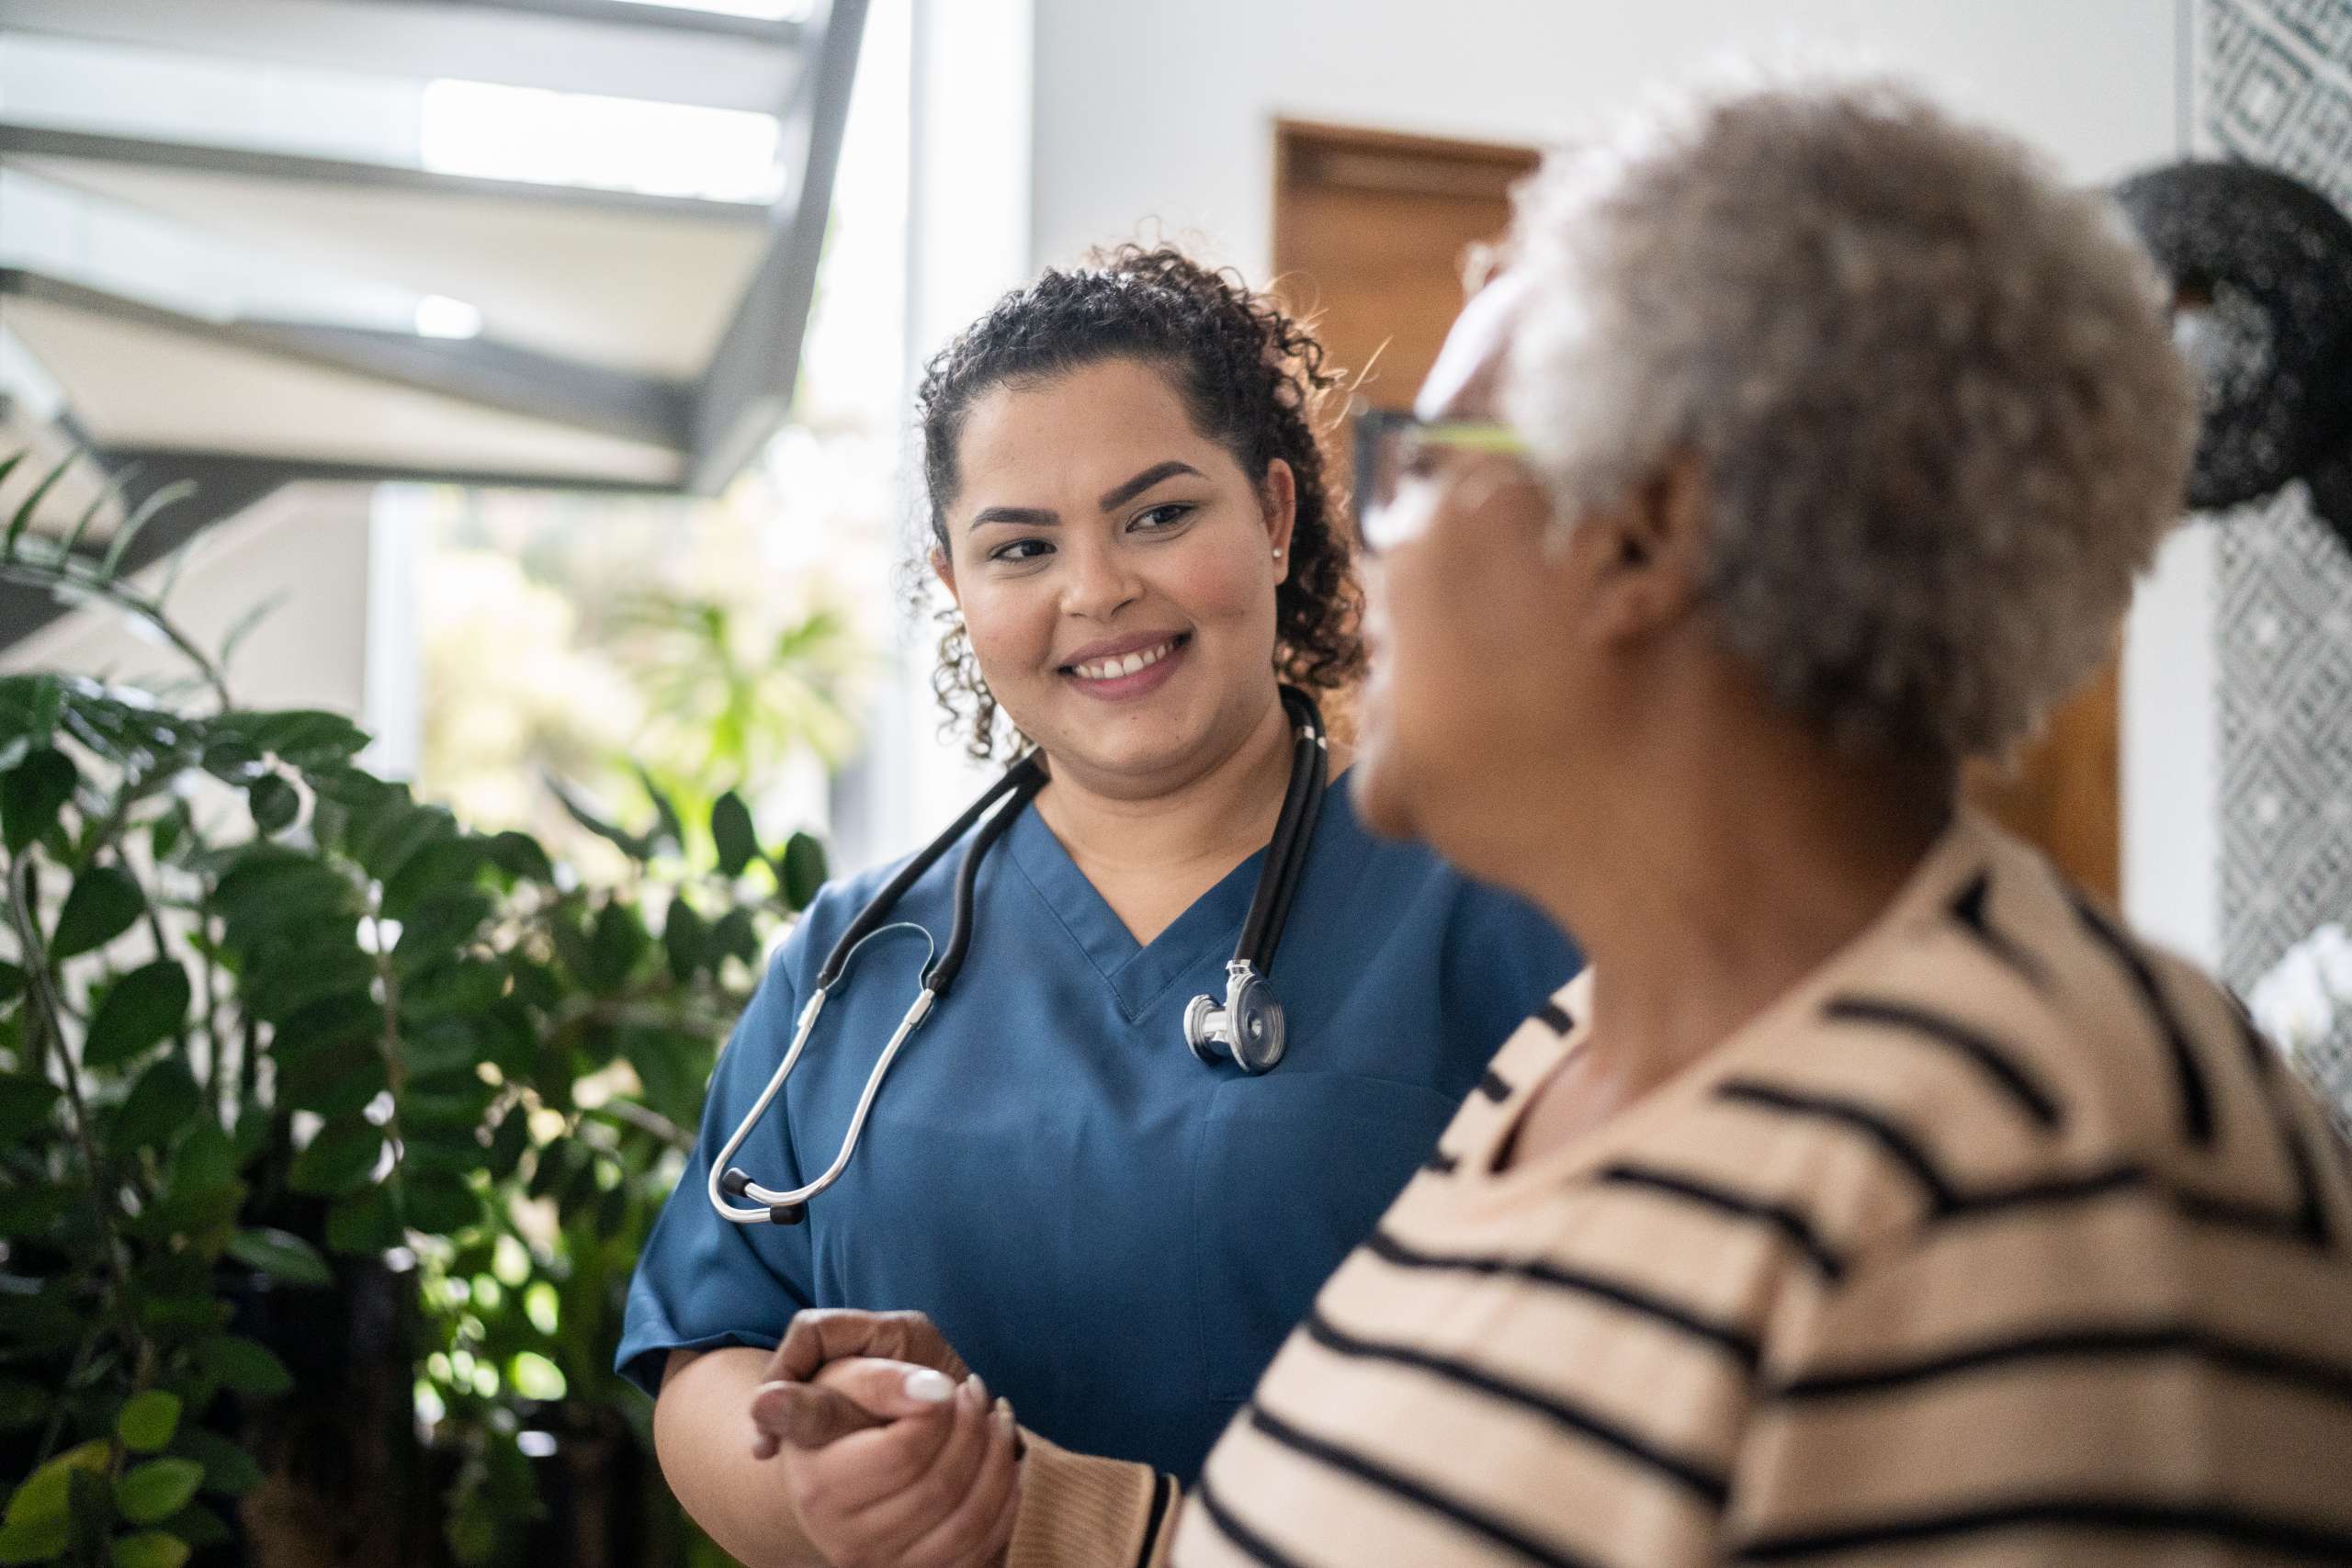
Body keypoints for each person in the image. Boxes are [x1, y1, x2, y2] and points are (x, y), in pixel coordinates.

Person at [762, 74, 2352, 1567]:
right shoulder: (1574, 1060)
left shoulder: (2037, 1152)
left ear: (1639, 539)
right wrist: (1019, 1497)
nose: (1371, 546)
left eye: (1425, 466)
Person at [616, 245, 1581, 1567]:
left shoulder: (1500, 917)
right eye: (1020, 548)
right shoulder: (856, 956)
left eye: (1158, 516)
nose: (1096, 591)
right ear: (957, 591)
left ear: (1278, 514)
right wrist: (853, 1496)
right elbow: (709, 1358)